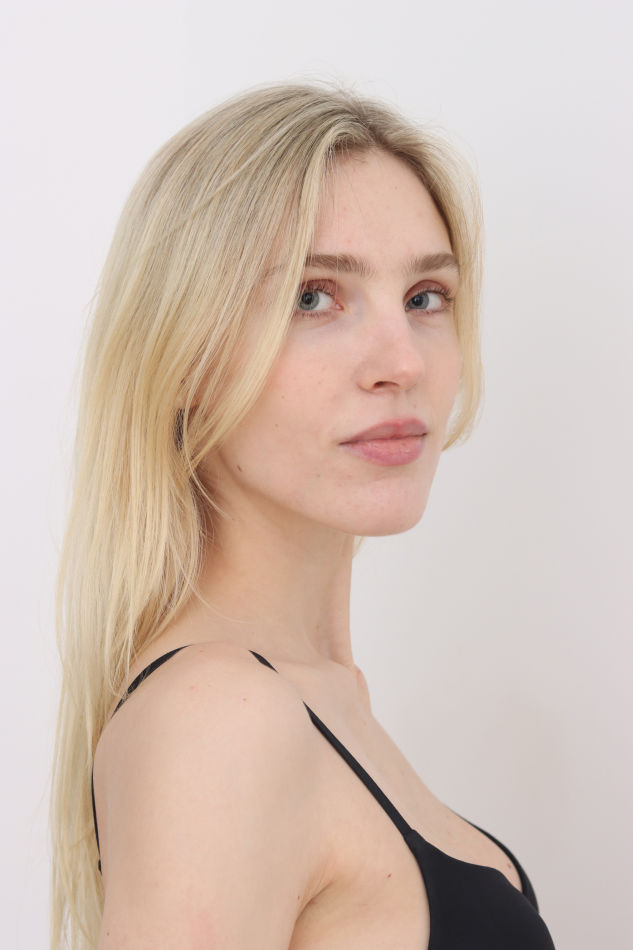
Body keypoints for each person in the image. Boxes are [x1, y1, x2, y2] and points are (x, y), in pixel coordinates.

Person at [50, 81, 556, 949]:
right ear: (183, 355)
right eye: (313, 296)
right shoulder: (220, 718)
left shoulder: (321, 696)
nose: (402, 361)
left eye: (424, 297)